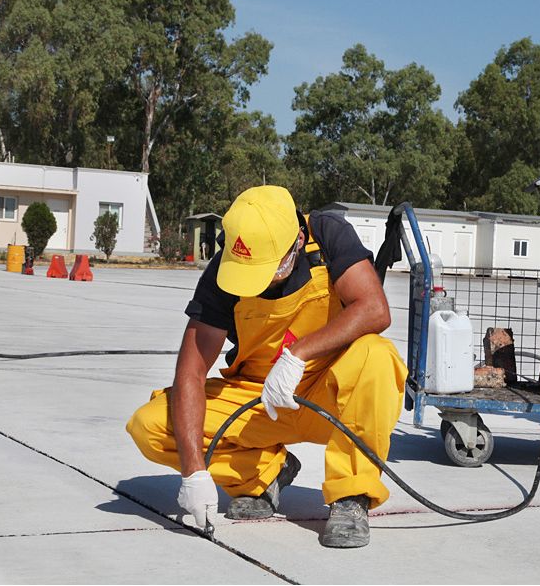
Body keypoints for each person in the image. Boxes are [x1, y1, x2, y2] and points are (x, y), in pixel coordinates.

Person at [127, 185, 408, 547]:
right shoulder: (223, 272)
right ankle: (266, 474)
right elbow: (191, 372)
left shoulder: (326, 235)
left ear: (297, 241)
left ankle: (351, 497)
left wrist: (299, 353)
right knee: (151, 425)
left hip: (331, 395)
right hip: (260, 401)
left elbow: (374, 309)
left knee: (377, 356)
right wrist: (194, 472)